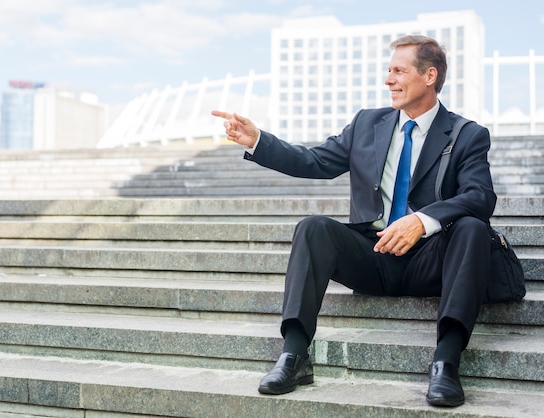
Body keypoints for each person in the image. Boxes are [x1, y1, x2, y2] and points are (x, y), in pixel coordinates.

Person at [212, 35, 497, 407]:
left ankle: (446, 362)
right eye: (388, 70)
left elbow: (480, 196)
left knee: (472, 227)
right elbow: (315, 161)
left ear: (429, 76)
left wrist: (422, 221)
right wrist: (258, 140)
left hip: (432, 261)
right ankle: (294, 355)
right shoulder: (368, 123)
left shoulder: (467, 134)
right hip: (374, 255)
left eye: (399, 70)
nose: (389, 79)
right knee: (313, 227)